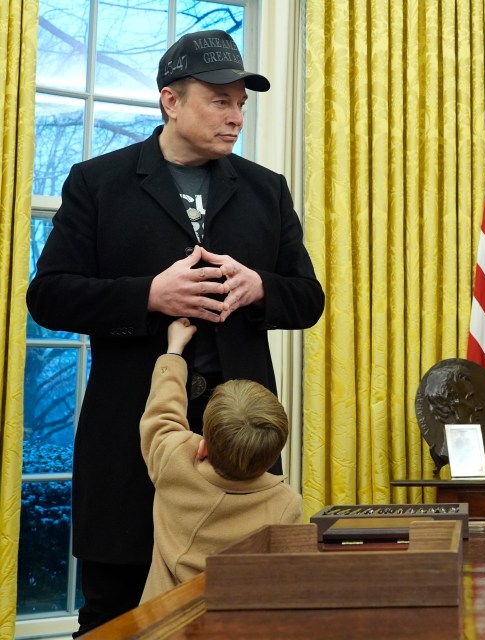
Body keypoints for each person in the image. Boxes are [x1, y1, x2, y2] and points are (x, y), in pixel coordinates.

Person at [25, 29, 324, 635]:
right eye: (221, 100)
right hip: (127, 448)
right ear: (170, 101)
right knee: (114, 616)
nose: (236, 116)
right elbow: (48, 295)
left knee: (247, 618)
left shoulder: (268, 189)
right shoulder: (97, 182)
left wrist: (260, 288)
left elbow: (308, 299)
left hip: (241, 461)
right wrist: (148, 295)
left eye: (242, 102)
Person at [140, 318, 303, 603]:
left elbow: (162, 414)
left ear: (203, 447)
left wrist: (174, 351)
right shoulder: (285, 504)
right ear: (272, 457)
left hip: (162, 625)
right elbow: (292, 580)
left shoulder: (175, 461)